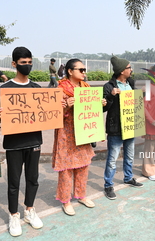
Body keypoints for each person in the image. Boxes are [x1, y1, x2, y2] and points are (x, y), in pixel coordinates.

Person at [0, 47, 43, 237]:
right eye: (23, 63)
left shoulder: (36, 88)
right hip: (14, 143)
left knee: (33, 179)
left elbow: (46, 114)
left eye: (30, 62)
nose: (27, 65)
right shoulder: (4, 89)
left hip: (34, 141)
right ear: (14, 64)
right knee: (13, 182)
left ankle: (29, 209)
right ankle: (14, 215)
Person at [52, 59, 106, 215]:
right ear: (70, 71)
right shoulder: (60, 89)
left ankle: (81, 195)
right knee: (66, 168)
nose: (84, 73)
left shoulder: (86, 88)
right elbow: (53, 115)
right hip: (66, 133)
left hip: (83, 132)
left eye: (84, 70)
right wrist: (67, 105)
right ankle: (66, 200)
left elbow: (92, 112)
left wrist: (100, 103)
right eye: (80, 70)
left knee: (83, 165)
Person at [103, 56, 143, 200]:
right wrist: (111, 96)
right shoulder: (109, 86)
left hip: (130, 126)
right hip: (115, 128)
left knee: (130, 156)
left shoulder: (131, 83)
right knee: (112, 159)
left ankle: (128, 177)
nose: (131, 70)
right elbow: (104, 108)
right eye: (129, 68)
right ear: (121, 71)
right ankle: (108, 185)